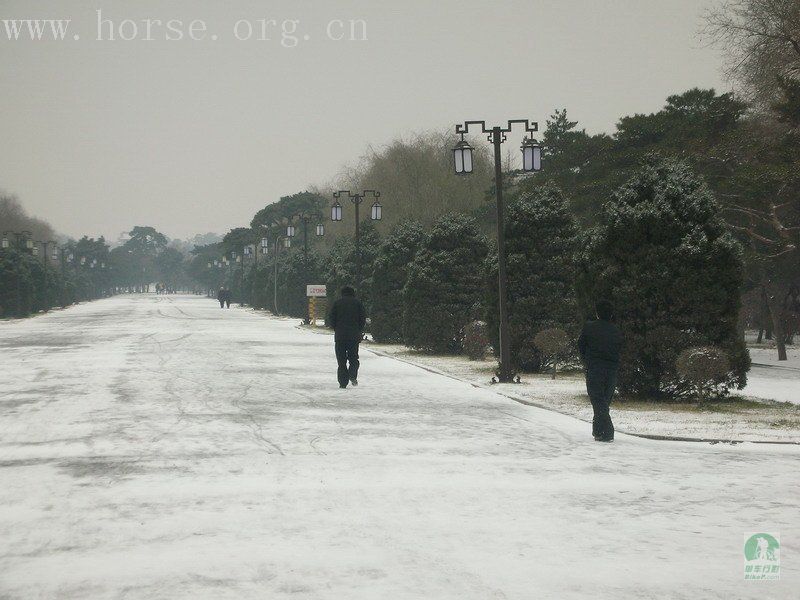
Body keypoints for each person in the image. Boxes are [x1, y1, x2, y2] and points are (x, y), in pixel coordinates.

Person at [578, 299, 622, 442]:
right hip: (612, 370)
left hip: (595, 368)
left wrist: (586, 360)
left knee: (598, 400)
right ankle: (598, 430)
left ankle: (608, 431)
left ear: (597, 313)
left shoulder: (589, 327)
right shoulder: (616, 330)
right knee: (604, 400)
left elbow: (581, 345)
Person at [326, 286, 366, 388]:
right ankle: (352, 375)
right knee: (353, 358)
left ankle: (343, 383)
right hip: (353, 336)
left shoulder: (337, 303)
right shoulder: (358, 304)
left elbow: (331, 318)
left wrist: (336, 328)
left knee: (341, 361)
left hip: (340, 336)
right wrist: (358, 330)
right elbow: (362, 319)